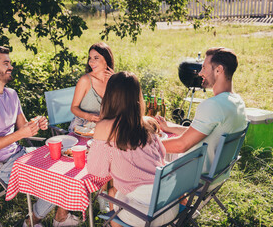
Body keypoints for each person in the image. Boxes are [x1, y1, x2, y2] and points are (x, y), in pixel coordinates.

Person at [0, 46, 80, 227]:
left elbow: (23, 127)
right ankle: (34, 221)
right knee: (58, 180)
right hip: (0, 165)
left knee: (67, 164)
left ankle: (58, 216)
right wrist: (20, 134)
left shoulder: (11, 94)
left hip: (20, 153)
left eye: (10, 63)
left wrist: (37, 124)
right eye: (5, 63)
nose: (10, 67)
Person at [87, 71, 179, 227]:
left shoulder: (105, 127)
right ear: (138, 97)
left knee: (112, 191)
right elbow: (162, 154)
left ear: (110, 96)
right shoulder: (148, 124)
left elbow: (97, 171)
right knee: (117, 188)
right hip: (170, 206)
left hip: (144, 215)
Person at [156, 47, 247, 176]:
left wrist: (145, 147)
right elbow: (204, 134)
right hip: (216, 175)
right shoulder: (237, 102)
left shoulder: (213, 105)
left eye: (204, 68)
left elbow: (182, 145)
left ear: (218, 70)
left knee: (133, 158)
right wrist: (169, 127)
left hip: (191, 176)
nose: (200, 73)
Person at [68, 42, 115, 132]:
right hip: (82, 128)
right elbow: (74, 108)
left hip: (104, 127)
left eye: (96, 58)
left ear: (106, 59)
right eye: (90, 58)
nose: (91, 62)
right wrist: (88, 116)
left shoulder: (114, 80)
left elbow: (120, 107)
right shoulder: (85, 80)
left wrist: (117, 83)